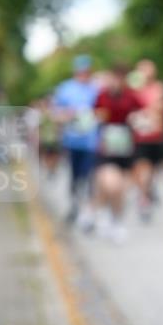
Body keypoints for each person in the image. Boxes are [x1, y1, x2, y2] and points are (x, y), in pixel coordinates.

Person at [92, 63, 143, 243]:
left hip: (126, 149)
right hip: (107, 149)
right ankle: (102, 212)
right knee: (110, 183)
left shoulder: (131, 97)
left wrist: (137, 120)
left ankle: (116, 220)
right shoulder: (102, 96)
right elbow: (93, 115)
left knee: (120, 188)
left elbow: (143, 114)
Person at [52, 55, 99, 227]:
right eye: (81, 71)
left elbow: (103, 111)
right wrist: (67, 115)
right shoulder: (65, 89)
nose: (83, 74)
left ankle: (89, 211)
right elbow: (56, 113)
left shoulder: (96, 89)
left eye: (86, 71)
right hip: (72, 141)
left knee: (89, 178)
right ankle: (74, 206)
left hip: (91, 141)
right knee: (74, 177)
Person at [131, 59, 163, 223]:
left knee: (152, 170)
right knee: (142, 168)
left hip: (156, 136)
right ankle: (143, 198)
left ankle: (147, 192)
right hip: (139, 137)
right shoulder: (134, 89)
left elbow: (162, 108)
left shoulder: (159, 88)